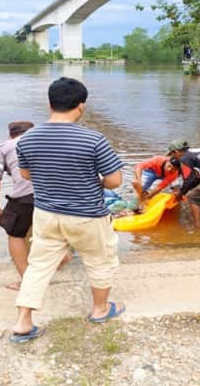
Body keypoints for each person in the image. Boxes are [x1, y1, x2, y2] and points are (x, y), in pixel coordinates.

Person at [10, 77, 124, 343]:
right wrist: (90, 179)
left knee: (38, 266)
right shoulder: (94, 139)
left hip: (46, 214)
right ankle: (99, 310)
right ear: (81, 106)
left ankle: (23, 322)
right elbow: (115, 181)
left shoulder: (27, 139)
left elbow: (26, 174)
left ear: (50, 103)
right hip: (87, 216)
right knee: (99, 260)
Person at [0, 122, 72, 291]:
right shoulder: (49, 141)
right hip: (59, 194)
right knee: (49, 228)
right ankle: (62, 256)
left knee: (15, 233)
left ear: (10, 135)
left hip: (26, 196)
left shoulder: (2, 147)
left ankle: (28, 283)